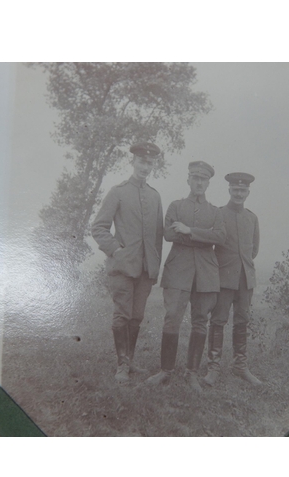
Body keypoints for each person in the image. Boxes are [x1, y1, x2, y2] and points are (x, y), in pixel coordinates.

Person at [146, 161, 226, 391]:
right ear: (188, 180)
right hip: (178, 271)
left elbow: (220, 237)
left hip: (206, 274)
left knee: (200, 321)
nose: (199, 182)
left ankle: (192, 373)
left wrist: (189, 230)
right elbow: (169, 234)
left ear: (208, 183)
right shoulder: (176, 206)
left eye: (203, 179)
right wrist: (205, 236)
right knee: (172, 317)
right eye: (195, 178)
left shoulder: (215, 212)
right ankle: (165, 371)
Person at [91, 142, 163, 383]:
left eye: (150, 163)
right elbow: (99, 227)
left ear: (154, 165)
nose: (145, 166)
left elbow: (157, 237)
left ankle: (130, 361)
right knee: (122, 315)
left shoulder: (154, 196)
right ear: (133, 162)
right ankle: (122, 365)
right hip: (122, 268)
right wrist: (116, 251)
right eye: (142, 162)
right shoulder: (118, 192)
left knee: (137, 316)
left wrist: (154, 267)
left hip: (144, 270)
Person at [204, 172, 263, 387]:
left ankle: (240, 366)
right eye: (235, 189)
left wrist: (241, 268)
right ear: (229, 190)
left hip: (245, 280)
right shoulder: (219, 214)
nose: (239, 193)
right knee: (218, 321)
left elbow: (253, 250)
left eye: (243, 190)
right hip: (223, 278)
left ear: (248, 192)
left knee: (242, 321)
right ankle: (213, 367)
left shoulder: (252, 217)